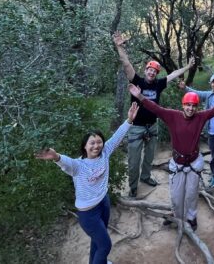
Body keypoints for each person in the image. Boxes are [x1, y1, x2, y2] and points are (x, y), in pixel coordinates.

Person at [35, 103, 140, 264]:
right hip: (88, 213)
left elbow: (117, 136)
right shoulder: (78, 166)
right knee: (105, 246)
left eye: (99, 142)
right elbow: (66, 162)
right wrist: (56, 157)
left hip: (103, 203)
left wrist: (129, 120)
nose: (96, 146)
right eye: (92, 143)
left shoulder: (105, 152)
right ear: (84, 146)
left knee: (97, 241)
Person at [129, 82, 214, 231]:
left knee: (191, 195)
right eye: (188, 105)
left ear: (197, 107)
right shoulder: (172, 116)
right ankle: (176, 214)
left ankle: (191, 218)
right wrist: (140, 97)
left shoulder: (200, 117)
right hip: (178, 163)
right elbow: (155, 108)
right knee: (176, 195)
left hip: (193, 163)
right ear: (183, 105)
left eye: (194, 106)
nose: (190, 108)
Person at [113, 32, 192, 197]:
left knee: (149, 157)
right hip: (136, 128)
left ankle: (146, 177)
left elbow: (172, 75)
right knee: (134, 161)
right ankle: (133, 186)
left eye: (155, 71)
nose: (151, 73)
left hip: (152, 127)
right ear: (145, 70)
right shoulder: (137, 81)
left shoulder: (158, 84)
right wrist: (119, 47)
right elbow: (126, 64)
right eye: (150, 70)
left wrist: (187, 67)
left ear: (156, 74)